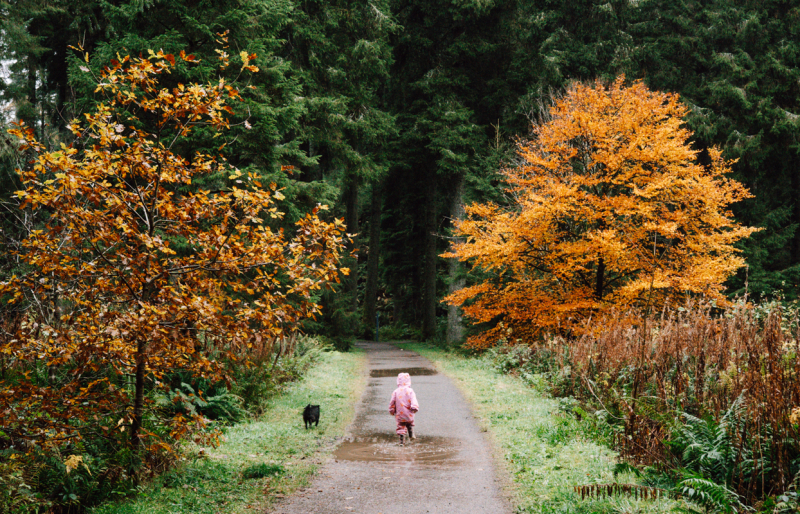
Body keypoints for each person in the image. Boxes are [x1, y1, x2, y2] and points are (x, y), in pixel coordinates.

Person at [389, 372, 419, 446]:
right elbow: (413, 399)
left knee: (401, 426)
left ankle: (402, 442)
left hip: (400, 414)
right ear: (409, 381)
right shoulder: (410, 391)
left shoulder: (396, 391)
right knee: (410, 423)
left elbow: (392, 402)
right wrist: (414, 407)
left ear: (398, 381)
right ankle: (411, 434)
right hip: (409, 412)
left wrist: (391, 410)